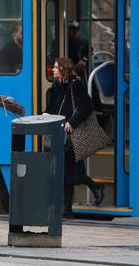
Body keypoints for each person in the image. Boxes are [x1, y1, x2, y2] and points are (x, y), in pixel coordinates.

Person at [44, 57, 104, 218]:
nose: (53, 70)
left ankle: (71, 207)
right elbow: (51, 108)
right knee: (66, 173)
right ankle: (68, 209)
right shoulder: (54, 88)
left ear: (64, 69)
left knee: (70, 173)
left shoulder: (75, 86)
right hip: (58, 133)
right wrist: (46, 114)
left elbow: (87, 106)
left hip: (70, 135)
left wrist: (72, 122)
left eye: (56, 67)